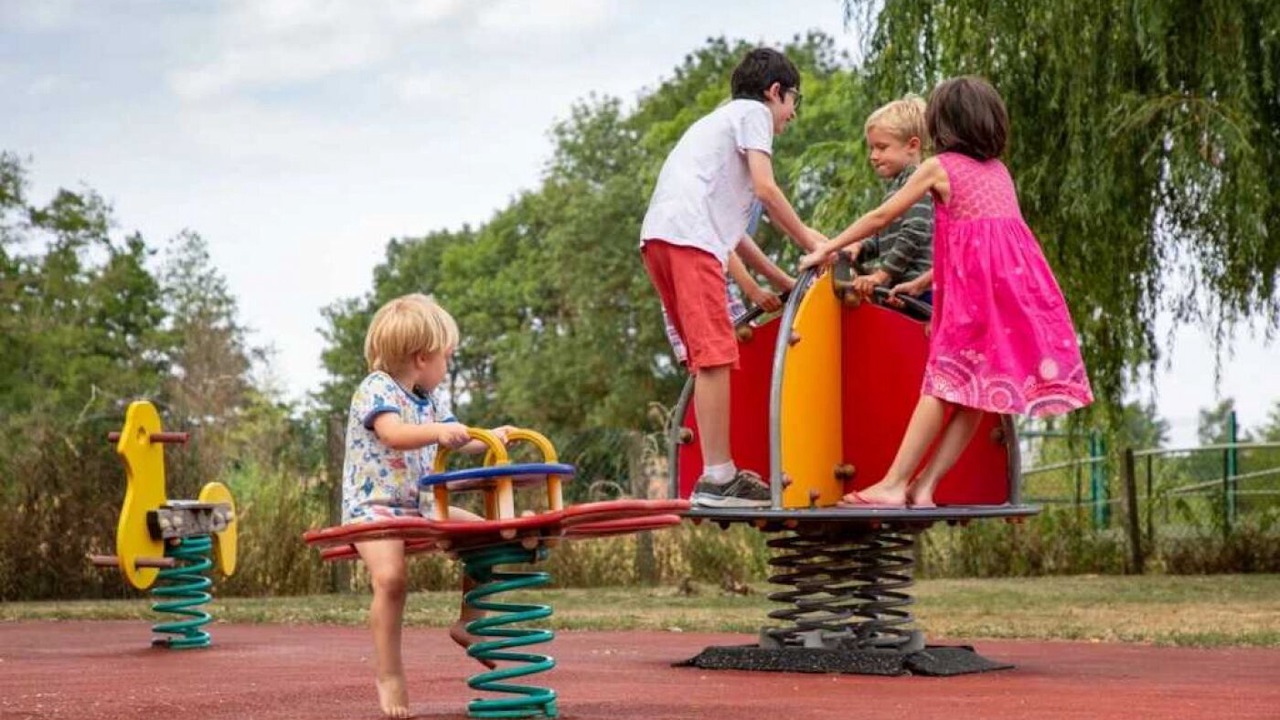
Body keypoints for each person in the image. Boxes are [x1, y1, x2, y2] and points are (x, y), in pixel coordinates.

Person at [800, 76, 1093, 508]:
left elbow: (883, 215)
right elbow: (987, 244)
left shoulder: (940, 167)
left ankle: (894, 484)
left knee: (940, 387)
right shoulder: (999, 173)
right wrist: (923, 281)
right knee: (976, 395)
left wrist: (830, 247)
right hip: (1015, 293)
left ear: (942, 125)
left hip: (973, 301)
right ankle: (925, 487)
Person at [640, 47, 826, 508]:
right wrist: (811, 244)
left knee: (709, 357)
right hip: (688, 239)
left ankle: (718, 473)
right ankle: (719, 477)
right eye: (793, 102)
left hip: (662, 239)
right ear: (775, 91)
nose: (793, 115)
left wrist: (784, 283)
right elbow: (767, 188)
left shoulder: (717, 130)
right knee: (716, 354)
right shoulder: (751, 115)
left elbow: (737, 238)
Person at [341, 293, 512, 718]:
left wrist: (491, 435)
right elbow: (394, 434)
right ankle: (389, 675)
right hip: (374, 507)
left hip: (419, 504)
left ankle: (470, 621)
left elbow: (461, 436)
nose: (447, 367)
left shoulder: (430, 399)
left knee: (485, 537)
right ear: (422, 357)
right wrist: (437, 431)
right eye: (446, 359)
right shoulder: (376, 389)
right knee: (392, 580)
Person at [662, 200, 795, 365]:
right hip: (698, 275)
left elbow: (791, 226)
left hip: (713, 276)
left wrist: (825, 249)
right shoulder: (729, 188)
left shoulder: (756, 194)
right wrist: (753, 290)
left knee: (751, 344)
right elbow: (720, 241)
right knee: (738, 344)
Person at [845, 95, 935, 305]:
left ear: (912, 146)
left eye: (882, 147)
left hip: (919, 293)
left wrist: (881, 276)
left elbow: (915, 232)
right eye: (871, 148)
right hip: (901, 291)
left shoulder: (917, 181)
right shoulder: (896, 188)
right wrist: (859, 248)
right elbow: (883, 238)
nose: (873, 156)